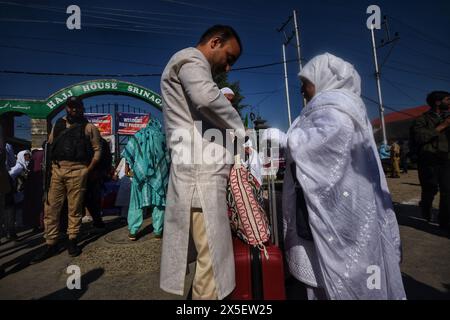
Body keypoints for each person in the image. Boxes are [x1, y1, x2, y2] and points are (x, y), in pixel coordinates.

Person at [283, 53, 406, 300]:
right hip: (336, 205)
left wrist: (279, 139)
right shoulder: (334, 108)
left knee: (347, 268)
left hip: (342, 209)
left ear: (323, 79)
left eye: (306, 82)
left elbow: (318, 148)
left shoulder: (336, 108)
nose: (302, 90)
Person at [160, 25, 245, 300]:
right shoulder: (191, 59)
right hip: (201, 178)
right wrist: (241, 131)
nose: (228, 68)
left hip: (201, 175)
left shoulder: (190, 65)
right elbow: (206, 98)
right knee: (212, 268)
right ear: (215, 42)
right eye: (229, 57)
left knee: (208, 262)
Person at [31, 96, 102, 263]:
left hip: (77, 171)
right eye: (71, 107)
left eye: (77, 106)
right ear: (67, 108)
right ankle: (51, 243)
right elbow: (49, 145)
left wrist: (87, 170)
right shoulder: (58, 124)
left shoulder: (89, 127)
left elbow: (98, 150)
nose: (74, 110)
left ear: (82, 108)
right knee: (51, 208)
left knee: (74, 208)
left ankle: (72, 239)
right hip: (56, 170)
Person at [122, 119, 170, 241]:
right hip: (159, 175)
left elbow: (128, 154)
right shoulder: (162, 137)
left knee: (136, 203)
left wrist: (128, 169)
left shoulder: (137, 136)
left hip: (140, 175)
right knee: (159, 204)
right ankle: (158, 231)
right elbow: (168, 158)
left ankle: (133, 231)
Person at [411, 91, 450, 230]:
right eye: (448, 99)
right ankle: (425, 206)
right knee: (430, 189)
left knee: (447, 191)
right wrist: (442, 126)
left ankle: (444, 222)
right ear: (438, 102)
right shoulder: (422, 120)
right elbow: (420, 138)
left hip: (446, 159)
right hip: (428, 159)